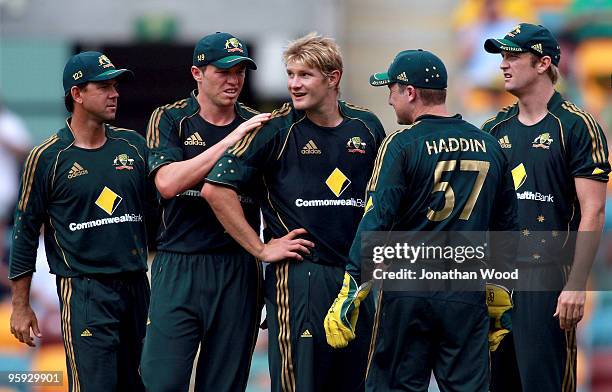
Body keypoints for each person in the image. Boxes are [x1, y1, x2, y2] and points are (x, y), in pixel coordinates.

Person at [323, 49, 519, 391]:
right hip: (465, 291)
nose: (389, 100)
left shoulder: (401, 144)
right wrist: (501, 292)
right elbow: (507, 231)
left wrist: (352, 283)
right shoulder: (491, 145)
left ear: (410, 92)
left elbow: (377, 220)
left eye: (392, 90)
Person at [202, 33, 386, 392]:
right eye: (290, 74)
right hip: (301, 277)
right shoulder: (275, 128)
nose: (294, 84)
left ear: (333, 78)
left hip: (355, 278)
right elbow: (215, 188)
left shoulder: (367, 126)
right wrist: (260, 249)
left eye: (305, 75)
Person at [9, 51, 151, 392]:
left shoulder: (132, 146)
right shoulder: (46, 157)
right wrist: (20, 306)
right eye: (103, 86)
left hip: (136, 285)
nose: (114, 93)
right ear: (77, 93)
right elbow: (25, 232)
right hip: (86, 290)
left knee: (138, 385)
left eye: (115, 85)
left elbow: (165, 205)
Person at [139, 32, 271, 392]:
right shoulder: (170, 118)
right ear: (197, 73)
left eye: (241, 71)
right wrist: (230, 140)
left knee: (224, 384)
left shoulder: (257, 124)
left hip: (237, 267)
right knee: (160, 382)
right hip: (179, 263)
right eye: (224, 71)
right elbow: (166, 183)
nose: (234, 80)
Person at [483, 23, 610, 392]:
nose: (503, 65)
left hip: (548, 280)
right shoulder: (494, 128)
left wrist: (575, 285)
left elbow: (593, 211)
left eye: (512, 56)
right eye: (501, 56)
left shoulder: (576, 125)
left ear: (542, 63)